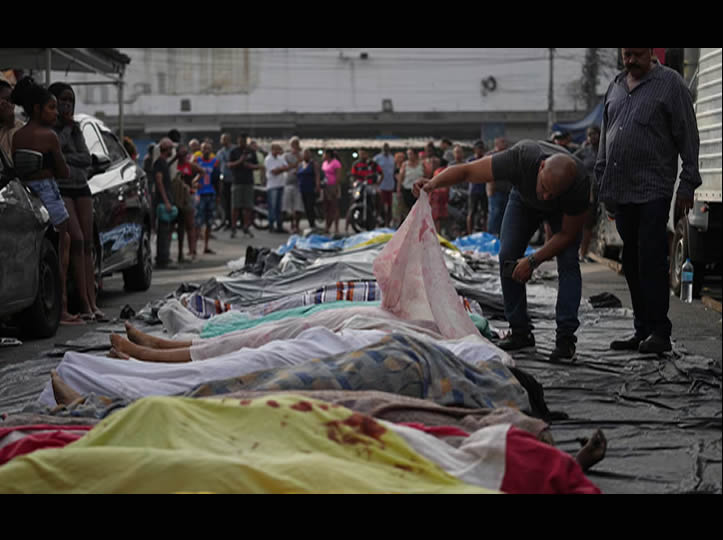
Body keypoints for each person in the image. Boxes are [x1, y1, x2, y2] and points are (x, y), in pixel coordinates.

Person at [414, 139, 590, 362]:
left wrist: (533, 261)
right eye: (544, 188)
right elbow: (467, 171)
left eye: (552, 194)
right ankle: (520, 331)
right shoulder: (520, 158)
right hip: (523, 201)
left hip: (561, 213)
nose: (546, 197)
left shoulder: (579, 183)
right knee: (508, 255)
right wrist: (432, 183)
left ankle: (565, 339)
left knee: (569, 262)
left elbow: (566, 235)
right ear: (541, 167)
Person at [596, 48, 701, 355]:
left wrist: (688, 184)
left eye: (637, 54)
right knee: (631, 261)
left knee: (651, 259)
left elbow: (688, 136)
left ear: (651, 51)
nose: (631, 60)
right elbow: (605, 137)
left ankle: (659, 331)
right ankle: (641, 329)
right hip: (621, 190)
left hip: (653, 189)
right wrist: (602, 182)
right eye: (626, 54)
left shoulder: (671, 84)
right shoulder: (616, 86)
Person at [10, 77, 78, 325]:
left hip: (27, 193)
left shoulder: (18, 136)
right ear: (37, 109)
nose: (56, 112)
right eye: (51, 107)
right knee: (61, 250)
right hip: (49, 191)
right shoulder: (49, 136)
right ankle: (63, 309)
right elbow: (64, 171)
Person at [49, 82, 105, 322]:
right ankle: (82, 301)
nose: (67, 105)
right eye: (62, 100)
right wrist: (65, 132)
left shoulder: (77, 128)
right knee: (77, 239)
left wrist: (69, 155)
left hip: (81, 186)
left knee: (88, 243)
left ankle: (92, 302)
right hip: (62, 188)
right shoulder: (50, 128)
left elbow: (86, 158)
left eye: (70, 100)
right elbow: (56, 154)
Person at [574, 126, 600, 261]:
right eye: (590, 134)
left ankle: (587, 251)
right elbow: (571, 160)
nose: (592, 137)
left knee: (594, 223)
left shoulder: (604, 150)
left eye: (595, 134)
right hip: (586, 191)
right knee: (586, 222)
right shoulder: (584, 151)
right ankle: (582, 252)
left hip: (602, 190)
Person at [173, 145, 202, 263]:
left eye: (185, 154)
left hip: (188, 197)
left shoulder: (189, 165)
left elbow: (201, 171)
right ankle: (180, 253)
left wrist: (194, 182)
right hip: (176, 197)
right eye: (181, 154)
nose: (183, 156)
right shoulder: (174, 165)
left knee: (190, 225)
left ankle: (192, 251)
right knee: (179, 227)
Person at [228, 133, 259, 239]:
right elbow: (229, 165)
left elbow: (257, 165)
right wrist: (240, 161)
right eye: (241, 141)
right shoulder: (234, 151)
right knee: (235, 207)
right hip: (237, 182)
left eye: (244, 141)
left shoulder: (251, 151)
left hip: (248, 182)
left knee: (248, 206)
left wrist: (250, 166)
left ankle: (246, 227)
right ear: (238, 140)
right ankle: (233, 228)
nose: (242, 143)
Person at [152, 138, 177, 269]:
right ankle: (162, 259)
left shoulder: (163, 162)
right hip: (162, 201)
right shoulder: (159, 163)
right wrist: (166, 201)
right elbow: (159, 182)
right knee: (163, 231)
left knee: (166, 231)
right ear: (166, 149)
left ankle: (164, 257)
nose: (172, 150)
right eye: (171, 148)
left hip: (165, 199)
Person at [194, 142, 219, 255]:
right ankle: (194, 248)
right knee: (198, 222)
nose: (206, 151)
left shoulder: (215, 162)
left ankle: (206, 246)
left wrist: (218, 195)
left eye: (208, 149)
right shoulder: (197, 161)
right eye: (204, 149)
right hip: (200, 194)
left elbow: (217, 179)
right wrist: (194, 184)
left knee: (209, 222)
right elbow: (191, 176)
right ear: (201, 150)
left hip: (211, 193)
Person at [485, 137, 512, 237]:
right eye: (503, 142)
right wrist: (490, 186)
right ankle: (492, 235)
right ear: (496, 143)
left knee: (506, 214)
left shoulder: (509, 155)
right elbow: (485, 172)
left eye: (505, 142)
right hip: (495, 191)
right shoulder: (490, 155)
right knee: (495, 213)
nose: (505, 144)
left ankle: (503, 236)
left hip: (508, 191)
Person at [282, 137, 304, 234]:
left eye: (297, 144)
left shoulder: (302, 155)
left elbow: (304, 165)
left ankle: (297, 225)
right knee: (290, 207)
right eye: (294, 144)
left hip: (299, 184)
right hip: (288, 182)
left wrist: (299, 157)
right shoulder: (286, 155)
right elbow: (285, 167)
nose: (295, 146)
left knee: (298, 207)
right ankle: (292, 225)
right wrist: (295, 163)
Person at [264, 143, 288, 233]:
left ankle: (279, 225)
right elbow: (274, 172)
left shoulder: (280, 158)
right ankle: (271, 226)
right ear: (272, 150)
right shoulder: (268, 159)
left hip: (281, 184)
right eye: (277, 149)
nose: (278, 151)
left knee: (279, 207)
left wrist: (279, 169)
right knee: (272, 207)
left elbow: (286, 167)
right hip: (272, 186)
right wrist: (281, 169)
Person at [467, 140, 488, 235]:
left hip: (484, 190)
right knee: (471, 212)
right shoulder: (470, 161)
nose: (480, 150)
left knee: (485, 213)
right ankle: (469, 233)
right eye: (478, 148)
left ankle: (485, 232)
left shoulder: (486, 160)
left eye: (481, 148)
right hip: (474, 190)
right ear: (475, 149)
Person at [397, 148, 425, 219]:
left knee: (418, 210)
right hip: (407, 190)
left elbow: (426, 176)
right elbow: (400, 178)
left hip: (419, 190)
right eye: (408, 154)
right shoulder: (405, 164)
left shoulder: (422, 164)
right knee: (408, 210)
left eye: (411, 154)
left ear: (415, 155)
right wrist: (398, 190)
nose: (409, 156)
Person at [297, 148, 321, 230]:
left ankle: (312, 223)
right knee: (305, 207)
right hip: (302, 188)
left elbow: (317, 175)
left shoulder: (313, 164)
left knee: (310, 206)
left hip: (310, 188)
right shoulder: (300, 164)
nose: (306, 156)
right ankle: (309, 222)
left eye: (307, 154)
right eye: (304, 154)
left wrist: (317, 186)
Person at [215, 133, 235, 230]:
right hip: (224, 180)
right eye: (222, 139)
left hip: (234, 179)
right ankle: (227, 221)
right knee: (225, 201)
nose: (223, 141)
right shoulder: (219, 153)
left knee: (233, 202)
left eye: (225, 139)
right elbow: (217, 165)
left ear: (229, 140)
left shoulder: (234, 150)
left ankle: (234, 222)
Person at [0, 80, 24, 161]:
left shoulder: (18, 126)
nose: (11, 105)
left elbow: (12, 161)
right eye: (7, 100)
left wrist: (11, 126)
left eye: (12, 101)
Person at [374, 143, 396, 229]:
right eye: (385, 148)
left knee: (390, 206)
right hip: (381, 185)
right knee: (381, 205)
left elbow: (394, 171)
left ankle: (388, 223)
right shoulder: (377, 158)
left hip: (390, 184)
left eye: (387, 148)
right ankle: (380, 222)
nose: (386, 150)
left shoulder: (392, 158)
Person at [321, 149, 342, 234]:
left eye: (324, 154)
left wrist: (336, 187)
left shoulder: (336, 163)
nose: (323, 156)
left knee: (334, 207)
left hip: (333, 186)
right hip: (325, 186)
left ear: (328, 154)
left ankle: (336, 228)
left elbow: (338, 175)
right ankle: (327, 226)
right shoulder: (324, 163)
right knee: (327, 208)